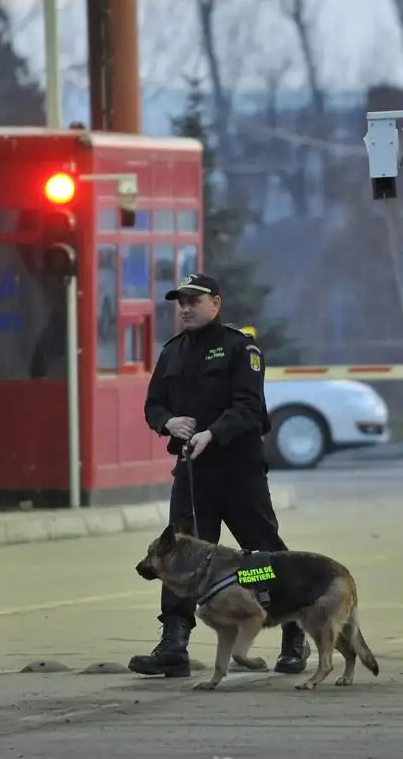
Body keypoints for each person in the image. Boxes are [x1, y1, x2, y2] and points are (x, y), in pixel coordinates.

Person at [130, 273, 309, 677]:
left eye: (195, 301)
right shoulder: (173, 353)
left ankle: (293, 632)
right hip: (193, 475)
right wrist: (168, 423)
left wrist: (213, 434)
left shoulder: (239, 348)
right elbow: (153, 405)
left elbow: (249, 409)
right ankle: (174, 643)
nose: (186, 308)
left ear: (216, 303)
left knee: (262, 557)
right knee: (177, 556)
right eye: (181, 302)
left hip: (238, 473)